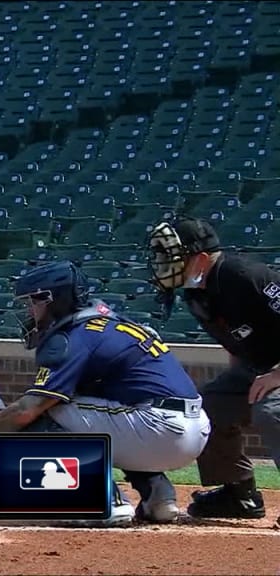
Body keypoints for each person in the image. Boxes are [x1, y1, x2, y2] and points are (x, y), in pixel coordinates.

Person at [0, 261, 211, 526]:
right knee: (103, 413)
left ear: (53, 300)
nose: (29, 311)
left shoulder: (75, 336)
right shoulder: (110, 324)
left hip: (157, 425)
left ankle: (104, 500)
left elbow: (27, 410)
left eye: (33, 302)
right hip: (191, 429)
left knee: (47, 411)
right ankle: (159, 499)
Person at [147, 215, 280, 527]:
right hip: (257, 369)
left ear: (201, 259)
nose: (164, 264)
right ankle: (239, 494)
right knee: (206, 407)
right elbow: (237, 341)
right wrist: (237, 380)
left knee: (272, 410)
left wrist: (276, 376)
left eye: (172, 257)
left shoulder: (243, 276)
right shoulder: (196, 291)